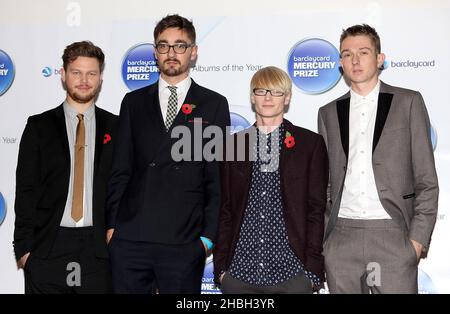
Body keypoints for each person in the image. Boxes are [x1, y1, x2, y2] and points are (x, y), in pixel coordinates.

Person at [106, 14, 230, 294]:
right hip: (131, 238)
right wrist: (112, 227)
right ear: (154, 52)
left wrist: (207, 237)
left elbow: (215, 176)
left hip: (183, 239)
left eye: (180, 46)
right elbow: (120, 169)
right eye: (164, 46)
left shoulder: (213, 104)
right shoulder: (133, 102)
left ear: (193, 51)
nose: (171, 53)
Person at [318, 24, 439, 294]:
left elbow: (427, 181)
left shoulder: (409, 102)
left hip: (393, 235)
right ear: (340, 62)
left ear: (379, 58)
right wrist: (327, 242)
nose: (356, 60)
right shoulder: (327, 112)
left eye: (363, 52)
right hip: (341, 238)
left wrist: (416, 242)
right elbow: (325, 183)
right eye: (347, 54)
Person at [13, 41, 117, 293]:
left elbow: (124, 188)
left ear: (101, 77)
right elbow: (26, 189)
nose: (84, 80)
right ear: (63, 74)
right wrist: (25, 250)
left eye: (91, 73)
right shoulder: (39, 126)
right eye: (76, 72)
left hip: (99, 249)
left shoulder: (117, 127)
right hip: (47, 246)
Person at [213, 66, 328, 294]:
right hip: (239, 273)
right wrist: (222, 269)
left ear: (286, 98)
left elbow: (317, 210)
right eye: (261, 90)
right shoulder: (232, 146)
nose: (267, 97)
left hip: (292, 275)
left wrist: (311, 271)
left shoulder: (309, 145)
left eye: (276, 92)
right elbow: (225, 210)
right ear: (252, 97)